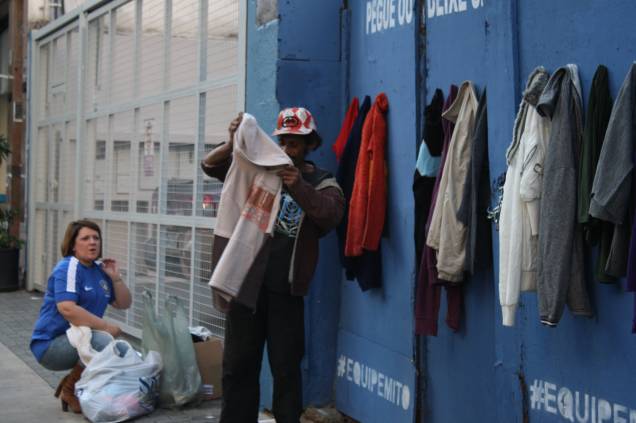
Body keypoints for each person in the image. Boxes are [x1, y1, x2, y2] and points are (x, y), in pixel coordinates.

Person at [201, 108, 345, 423]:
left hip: (286, 290)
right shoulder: (260, 168)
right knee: (238, 365)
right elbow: (210, 166)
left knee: (286, 367)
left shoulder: (321, 182)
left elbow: (330, 216)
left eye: (295, 143)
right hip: (245, 284)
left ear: (310, 144)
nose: (287, 150)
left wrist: (298, 186)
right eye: (284, 142)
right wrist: (232, 142)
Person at [30, 220, 132, 413]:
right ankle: (71, 390)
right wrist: (106, 327)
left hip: (78, 339)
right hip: (50, 345)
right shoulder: (68, 267)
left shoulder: (99, 270)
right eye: (85, 238)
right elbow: (67, 308)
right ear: (73, 244)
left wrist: (116, 278)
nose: (92, 242)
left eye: (96, 238)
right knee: (104, 341)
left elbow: (124, 303)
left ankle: (75, 385)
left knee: (115, 346)